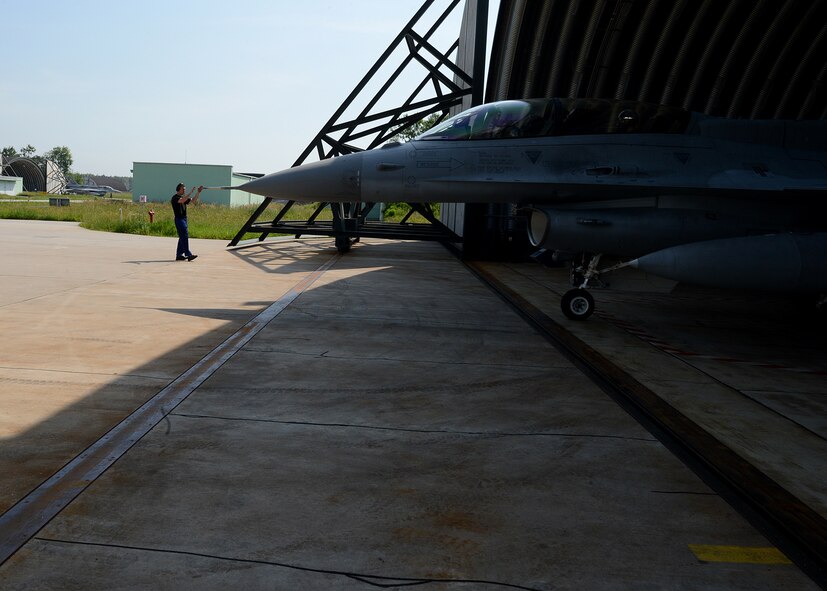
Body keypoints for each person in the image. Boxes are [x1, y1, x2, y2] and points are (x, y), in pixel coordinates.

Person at [171, 183, 202, 261]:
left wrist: (198, 192)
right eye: (183, 189)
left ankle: (179, 255)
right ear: (178, 189)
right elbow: (182, 201)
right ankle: (188, 254)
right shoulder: (175, 198)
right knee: (184, 235)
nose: (184, 190)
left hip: (184, 219)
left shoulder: (183, 197)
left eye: (185, 189)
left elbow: (193, 201)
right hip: (179, 219)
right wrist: (190, 193)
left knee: (182, 237)